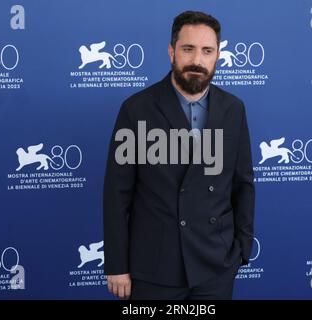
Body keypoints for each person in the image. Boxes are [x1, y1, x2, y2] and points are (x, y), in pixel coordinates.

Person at [103, 10, 255, 300]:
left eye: (207, 51)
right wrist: (117, 265)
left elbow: (243, 185)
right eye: (188, 49)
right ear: (172, 51)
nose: (197, 60)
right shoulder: (136, 110)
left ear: (218, 55)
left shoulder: (234, 109)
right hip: (153, 268)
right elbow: (116, 194)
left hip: (215, 268)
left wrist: (241, 250)